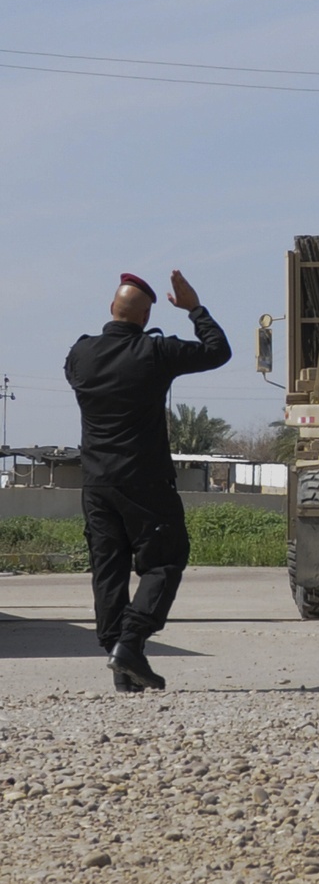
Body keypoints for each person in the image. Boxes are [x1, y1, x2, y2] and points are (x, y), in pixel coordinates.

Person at [65, 270, 231, 693]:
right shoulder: (154, 352)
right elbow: (217, 352)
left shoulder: (80, 355)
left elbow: (78, 370)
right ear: (145, 317)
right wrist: (194, 308)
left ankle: (122, 668)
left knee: (109, 571)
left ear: (111, 310)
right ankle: (131, 643)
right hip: (145, 483)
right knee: (164, 562)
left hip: (97, 485)